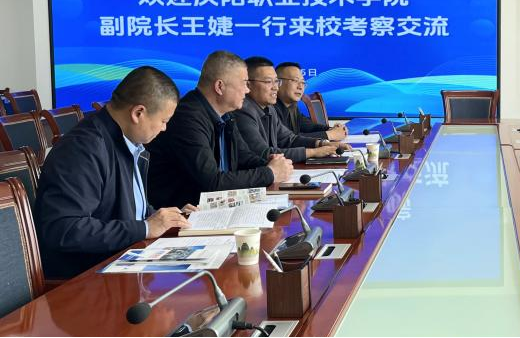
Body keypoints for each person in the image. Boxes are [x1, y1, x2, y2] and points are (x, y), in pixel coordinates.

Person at [35, 66, 196, 279]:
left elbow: (129, 212)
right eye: (164, 121)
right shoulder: (84, 149)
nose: (164, 128)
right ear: (138, 113)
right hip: (87, 279)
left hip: (122, 262)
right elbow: (64, 228)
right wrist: (145, 228)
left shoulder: (127, 141)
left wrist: (169, 219)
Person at [147, 51, 293, 209]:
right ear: (219, 87)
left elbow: (243, 156)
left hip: (214, 207)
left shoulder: (226, 114)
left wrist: (271, 163)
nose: (247, 90)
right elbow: (212, 182)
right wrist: (270, 173)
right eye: (244, 83)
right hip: (183, 213)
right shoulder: (188, 118)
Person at [234, 56, 341, 163]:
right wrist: (313, 152)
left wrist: (322, 143)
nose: (275, 87)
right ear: (248, 85)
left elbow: (289, 139)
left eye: (276, 81)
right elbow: (263, 154)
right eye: (268, 81)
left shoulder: (269, 108)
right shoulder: (243, 111)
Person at [273, 61, 347, 140]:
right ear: (278, 82)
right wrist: (329, 135)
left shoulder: (292, 106)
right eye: (295, 80)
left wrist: (333, 130)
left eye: (303, 82)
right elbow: (287, 140)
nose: (300, 87)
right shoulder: (270, 109)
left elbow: (310, 127)